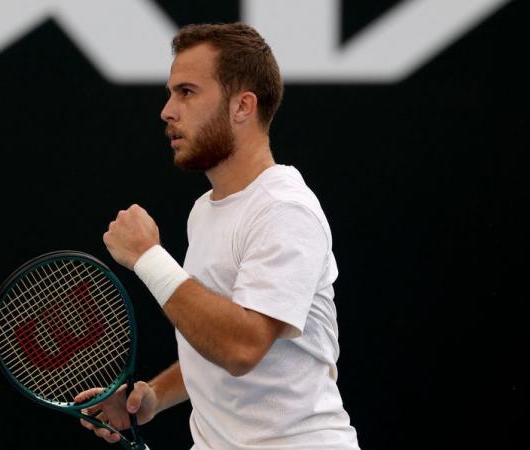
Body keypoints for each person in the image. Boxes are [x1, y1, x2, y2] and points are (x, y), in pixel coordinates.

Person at [76, 22, 360, 450]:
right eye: (171, 92)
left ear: (242, 106)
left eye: (186, 92)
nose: (167, 111)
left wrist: (149, 257)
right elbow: (212, 339)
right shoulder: (205, 212)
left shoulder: (284, 209)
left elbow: (242, 347)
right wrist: (153, 396)